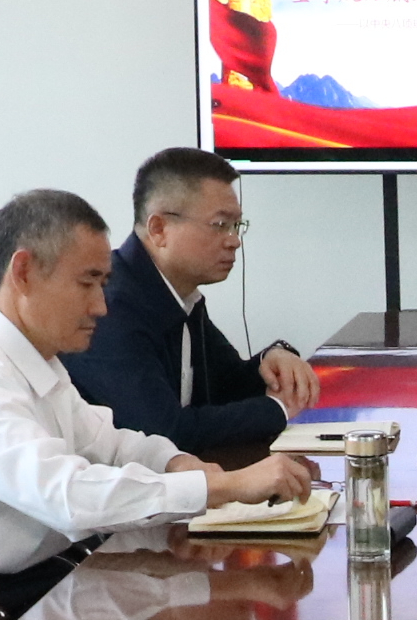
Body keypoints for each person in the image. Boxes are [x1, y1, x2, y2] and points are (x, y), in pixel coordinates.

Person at [0, 187, 318, 617]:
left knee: (187, 587)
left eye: (103, 284)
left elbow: (108, 443)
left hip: (37, 583)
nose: (101, 307)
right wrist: (226, 487)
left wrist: (176, 462)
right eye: (87, 283)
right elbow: (70, 496)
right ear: (23, 272)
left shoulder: (32, 358)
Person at [72, 148, 319, 464]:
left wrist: (272, 359)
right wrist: (278, 409)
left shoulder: (181, 294)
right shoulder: (111, 307)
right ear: (159, 229)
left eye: (237, 225)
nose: (234, 240)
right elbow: (163, 432)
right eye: (220, 224)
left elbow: (225, 386)